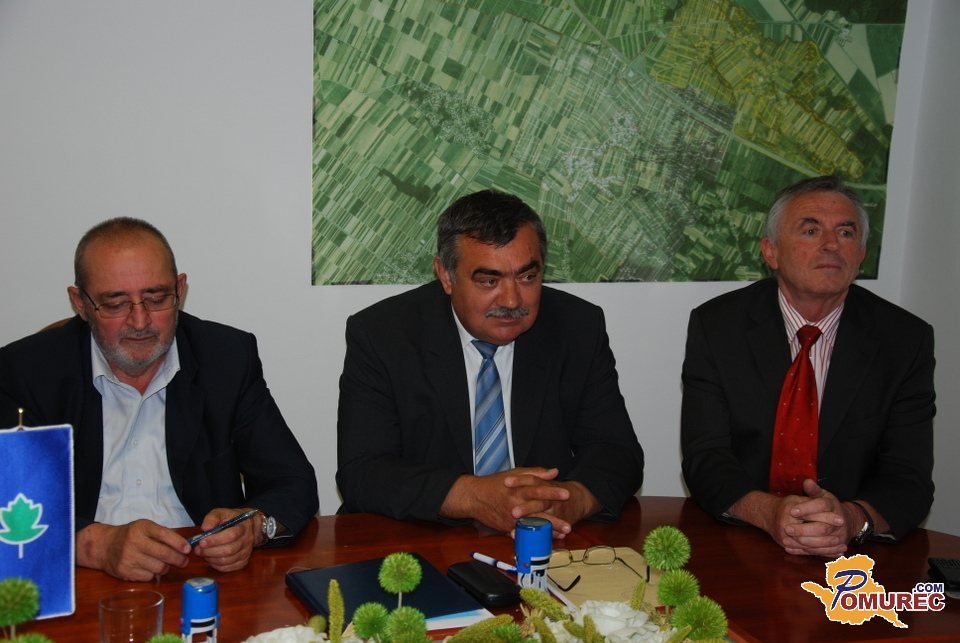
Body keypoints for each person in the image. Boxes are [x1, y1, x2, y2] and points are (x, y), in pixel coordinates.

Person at [0, 218, 318, 581]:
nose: (140, 321)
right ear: (81, 303)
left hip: (201, 576)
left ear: (180, 290)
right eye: (116, 303)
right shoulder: (26, 372)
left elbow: (293, 482)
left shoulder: (226, 358)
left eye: (156, 298)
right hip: (81, 578)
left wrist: (254, 526)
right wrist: (94, 545)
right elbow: (9, 504)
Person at [336, 189, 644, 536]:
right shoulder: (383, 335)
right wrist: (473, 496)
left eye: (527, 277)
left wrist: (572, 500)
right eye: (489, 281)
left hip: (544, 539)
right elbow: (363, 471)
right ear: (446, 275)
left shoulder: (577, 327)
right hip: (425, 542)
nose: (512, 300)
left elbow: (617, 452)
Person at [681, 175, 935, 557]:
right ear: (771, 252)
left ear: (861, 254)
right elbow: (706, 456)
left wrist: (851, 519)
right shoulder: (718, 326)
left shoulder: (904, 340)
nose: (831, 244)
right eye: (811, 230)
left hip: (852, 551)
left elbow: (909, 475)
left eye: (846, 233)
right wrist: (769, 512)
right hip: (745, 539)